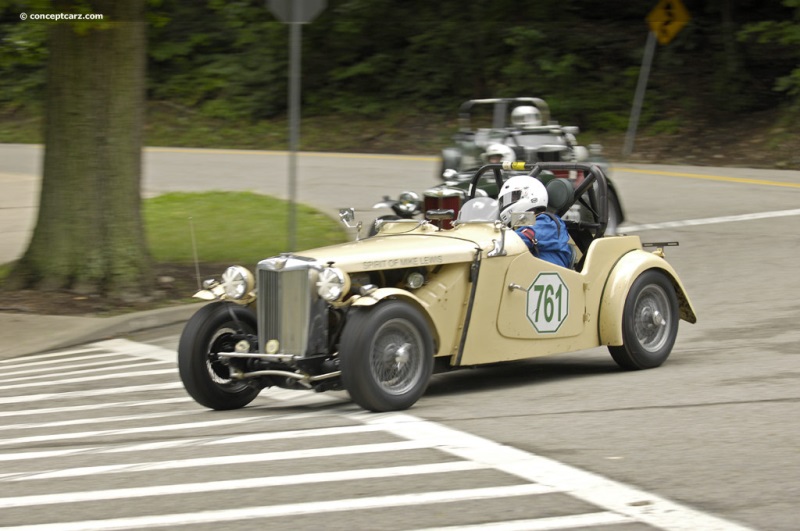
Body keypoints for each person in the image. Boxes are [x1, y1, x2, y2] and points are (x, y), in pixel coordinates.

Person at [498, 176, 573, 268]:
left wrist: (494, 242)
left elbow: (523, 238)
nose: (506, 202)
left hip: (549, 277)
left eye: (512, 197)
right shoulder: (518, 225)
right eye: (504, 200)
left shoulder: (548, 222)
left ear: (531, 195)